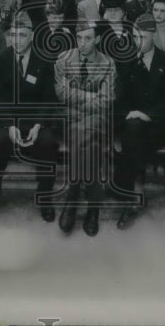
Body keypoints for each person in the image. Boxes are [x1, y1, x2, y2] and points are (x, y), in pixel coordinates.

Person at [0, 14, 61, 223]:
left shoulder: (44, 60)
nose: (17, 40)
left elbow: (49, 99)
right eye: (14, 35)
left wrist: (37, 125)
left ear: (32, 36)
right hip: (6, 119)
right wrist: (9, 125)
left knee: (48, 143)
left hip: (35, 119)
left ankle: (45, 199)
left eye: (22, 35)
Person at [115, 15, 165, 230]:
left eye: (142, 36)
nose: (138, 41)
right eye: (135, 36)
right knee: (133, 130)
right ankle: (135, 194)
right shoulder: (126, 61)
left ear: (153, 35)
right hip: (132, 122)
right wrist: (129, 114)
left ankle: (127, 187)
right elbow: (119, 98)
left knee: (134, 135)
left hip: (158, 124)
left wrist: (148, 115)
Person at [54, 18, 116, 237]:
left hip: (96, 119)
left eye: (88, 38)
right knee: (88, 145)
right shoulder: (63, 59)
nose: (82, 43)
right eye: (79, 38)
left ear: (97, 39)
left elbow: (107, 99)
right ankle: (93, 208)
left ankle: (72, 198)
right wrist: (90, 95)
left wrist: (79, 97)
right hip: (71, 118)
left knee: (85, 138)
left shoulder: (108, 63)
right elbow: (61, 93)